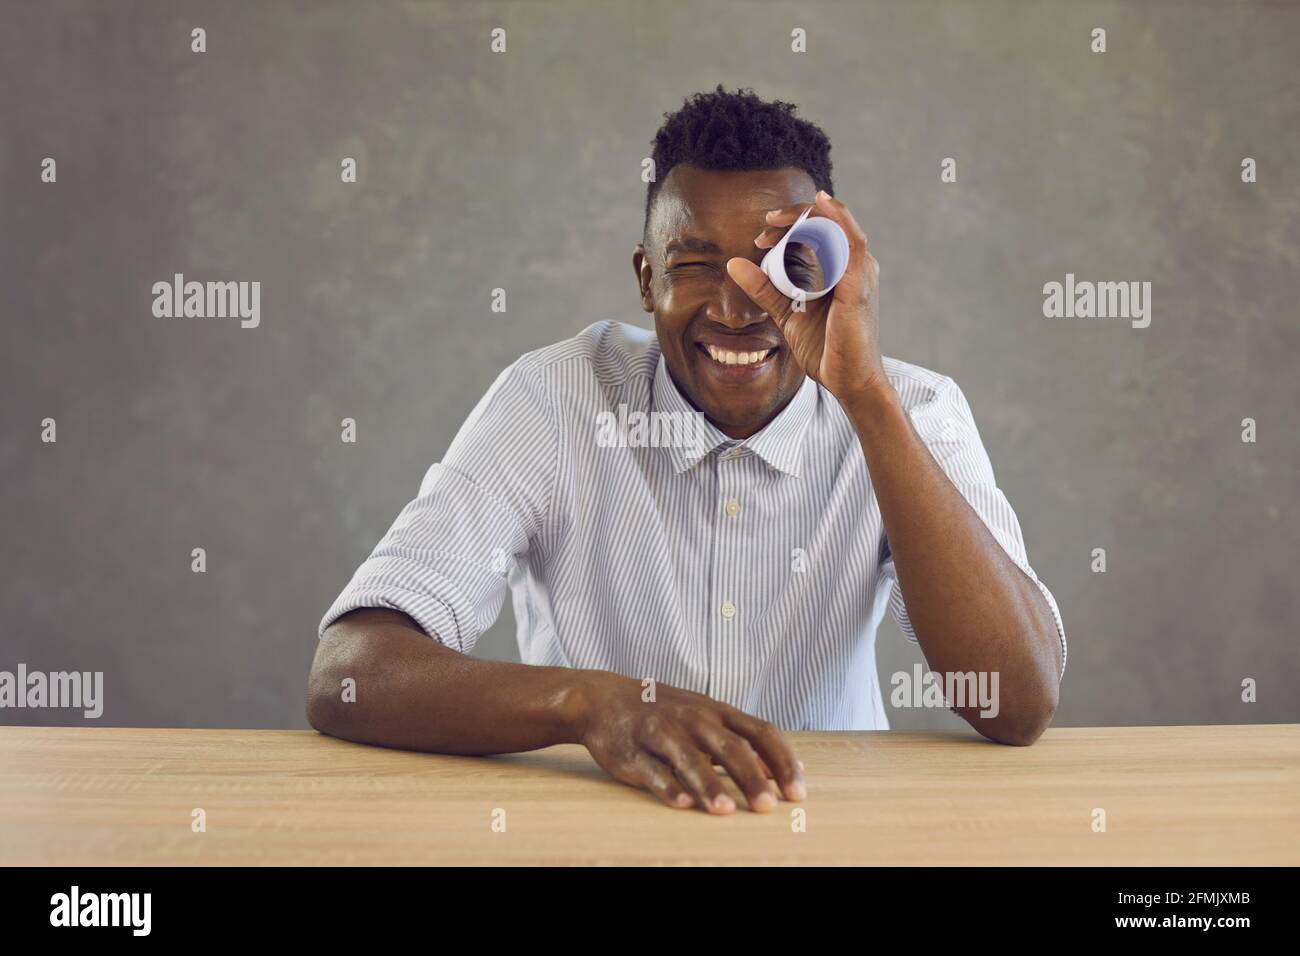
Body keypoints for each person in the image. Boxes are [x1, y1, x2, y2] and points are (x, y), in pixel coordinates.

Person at [307, 85, 1066, 815]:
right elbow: (349, 671)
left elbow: (1020, 704)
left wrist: (865, 398)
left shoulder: (912, 410)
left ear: (837, 275)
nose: (739, 309)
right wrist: (589, 703)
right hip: (592, 829)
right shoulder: (555, 400)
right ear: (646, 279)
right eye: (696, 265)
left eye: (783, 268)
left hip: (824, 828)